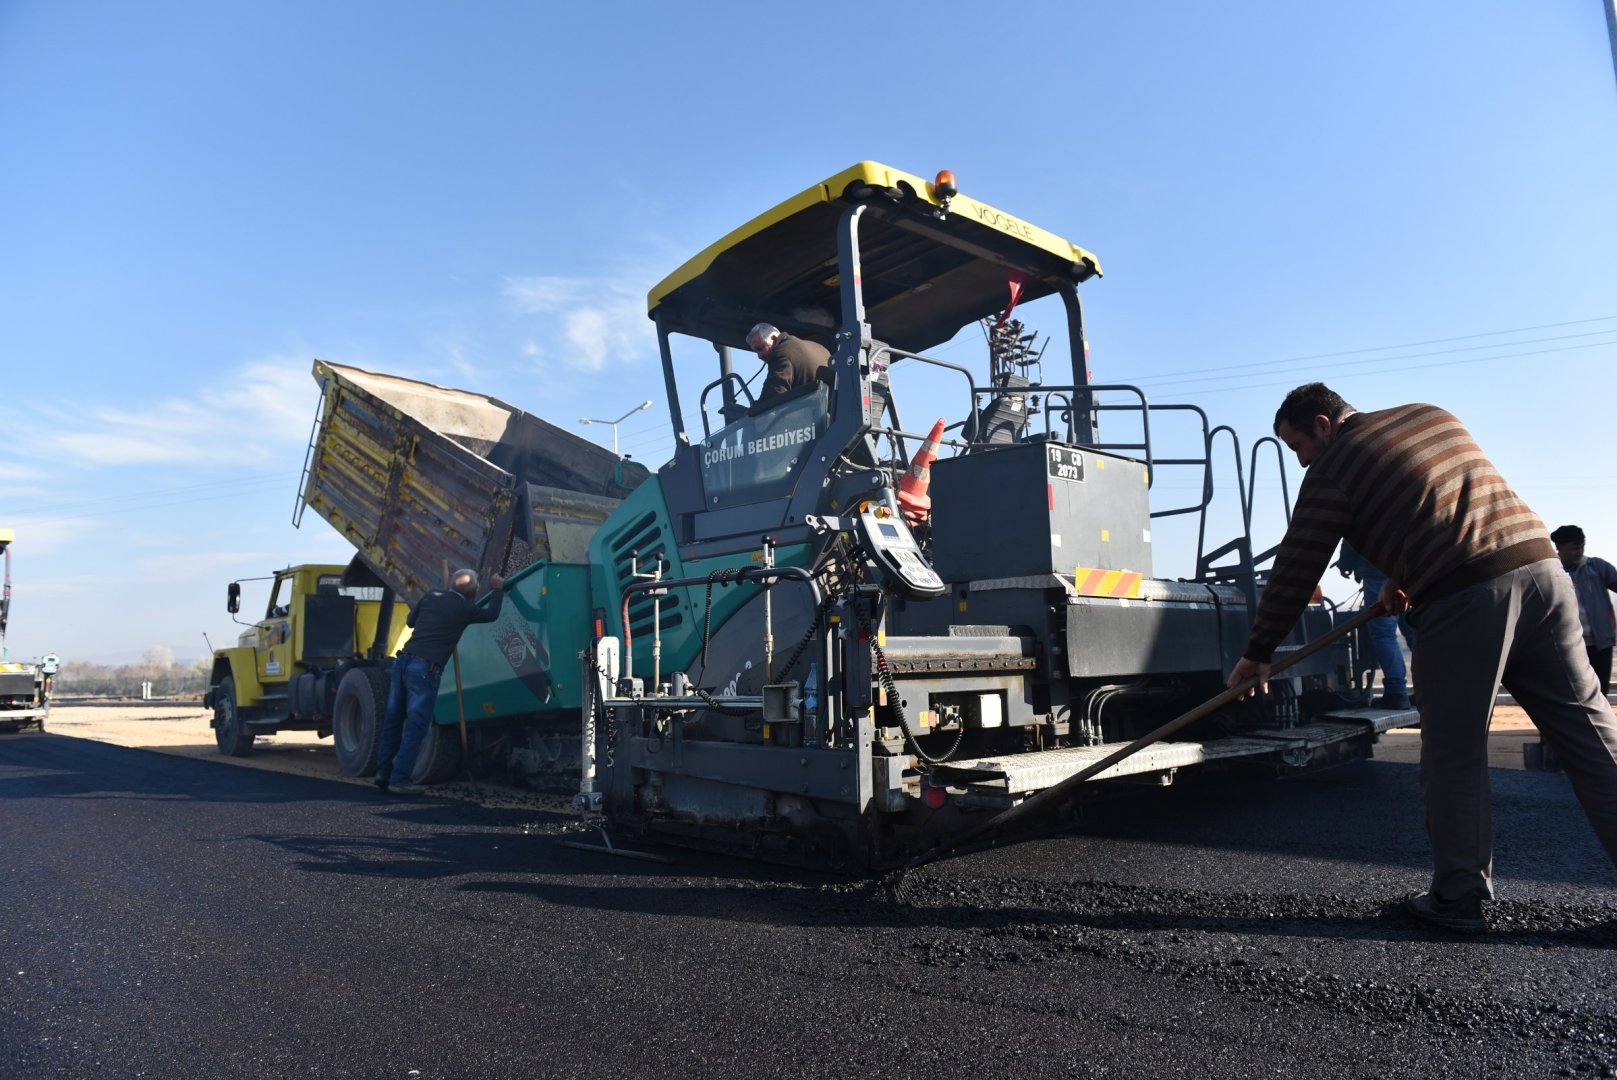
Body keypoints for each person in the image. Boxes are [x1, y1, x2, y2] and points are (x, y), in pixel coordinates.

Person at [1227, 383, 1617, 933]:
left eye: (1299, 447)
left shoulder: (1333, 466)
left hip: (1468, 599)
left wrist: (1259, 651)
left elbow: (1297, 564)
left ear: (1323, 424)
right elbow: (1445, 505)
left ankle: (1458, 897)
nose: (1302, 461)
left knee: (1454, 751)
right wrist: (1402, 574)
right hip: (1543, 572)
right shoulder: (1430, 415)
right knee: (1589, 734)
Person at [375, 568, 505, 793]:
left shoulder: (430, 596)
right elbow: (492, 614)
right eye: (476, 586)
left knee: (393, 720)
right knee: (417, 726)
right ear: (472, 591)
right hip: (425, 669)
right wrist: (498, 589)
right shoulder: (466, 609)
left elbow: (410, 622)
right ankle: (400, 779)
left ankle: (383, 772)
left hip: (403, 662)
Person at [1337, 538, 1411, 708]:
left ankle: (1397, 691)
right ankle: (1427, 689)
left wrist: (1345, 563)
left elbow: (1353, 534)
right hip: (1410, 569)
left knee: (1383, 634)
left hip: (1378, 570)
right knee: (1414, 630)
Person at [1549, 525, 1617, 696]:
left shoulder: (1597, 567)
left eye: (1581, 547)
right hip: (1571, 644)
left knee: (1601, 691)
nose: (1579, 552)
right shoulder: (1553, 573)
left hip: (1601, 643)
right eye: (1574, 548)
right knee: (1576, 693)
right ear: (1560, 548)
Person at [747, 322, 830, 398]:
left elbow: (773, 393)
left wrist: (757, 408)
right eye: (756, 351)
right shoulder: (820, 348)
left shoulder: (782, 352)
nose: (759, 356)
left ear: (773, 338)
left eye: (760, 348)